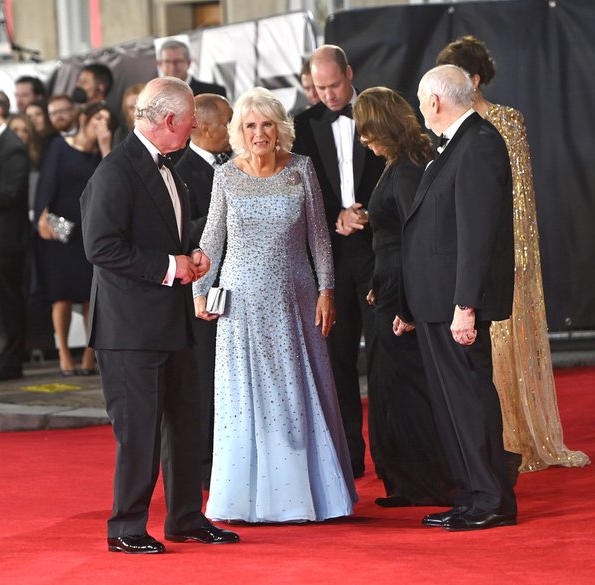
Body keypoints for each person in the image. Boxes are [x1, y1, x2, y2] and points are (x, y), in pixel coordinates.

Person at [81, 76, 239, 554]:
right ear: (169, 120)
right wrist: (173, 266)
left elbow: (164, 238)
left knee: (186, 427)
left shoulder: (173, 168)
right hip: (129, 331)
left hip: (171, 323)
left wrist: (191, 254)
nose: (196, 127)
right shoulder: (115, 170)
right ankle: (126, 527)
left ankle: (186, 517)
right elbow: (100, 247)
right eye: (190, 119)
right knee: (140, 433)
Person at [193, 86, 357, 523]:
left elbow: (320, 237)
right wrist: (199, 290)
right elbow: (213, 238)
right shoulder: (225, 175)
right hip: (240, 303)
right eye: (250, 125)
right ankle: (246, 497)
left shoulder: (301, 170)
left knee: (297, 394)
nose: (259, 132)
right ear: (239, 131)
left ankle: (304, 495)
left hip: (297, 298)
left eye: (266, 124)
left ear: (280, 127)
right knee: (245, 397)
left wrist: (327, 290)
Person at [436, 35, 590, 473]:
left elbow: (519, 196)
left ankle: (520, 436)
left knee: (510, 339)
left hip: (509, 251)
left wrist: (511, 254)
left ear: (475, 78)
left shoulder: (507, 121)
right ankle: (494, 440)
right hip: (467, 253)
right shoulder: (447, 129)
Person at [399, 64, 517, 531]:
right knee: (452, 404)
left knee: (469, 400)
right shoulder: (456, 147)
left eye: (420, 99)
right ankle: (471, 494)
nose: (419, 107)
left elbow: (477, 234)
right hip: (435, 302)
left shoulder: (480, 144)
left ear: (434, 102)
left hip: (454, 304)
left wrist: (465, 304)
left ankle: (492, 500)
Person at [352, 87, 454, 507]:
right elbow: (395, 238)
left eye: (367, 131)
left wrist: (410, 306)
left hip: (403, 303)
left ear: (385, 127)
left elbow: (420, 241)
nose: (363, 140)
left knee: (407, 392)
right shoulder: (400, 163)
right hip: (391, 293)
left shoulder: (410, 167)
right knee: (394, 391)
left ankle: (426, 483)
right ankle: (411, 482)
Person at [293, 45, 385, 478]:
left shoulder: (378, 112)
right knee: (338, 358)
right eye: (319, 87)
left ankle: (396, 454)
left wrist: (367, 213)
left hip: (379, 252)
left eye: (335, 85)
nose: (328, 95)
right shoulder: (302, 126)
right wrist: (337, 215)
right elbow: (302, 191)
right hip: (328, 258)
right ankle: (349, 456)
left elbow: (398, 176)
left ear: (350, 73)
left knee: (388, 353)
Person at [175, 92, 233, 490]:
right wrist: (221, 220)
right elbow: (180, 232)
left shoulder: (238, 165)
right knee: (206, 377)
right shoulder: (181, 171)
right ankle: (204, 464)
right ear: (208, 126)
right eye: (230, 122)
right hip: (203, 288)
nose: (236, 129)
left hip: (240, 283)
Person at [34, 103, 116, 376]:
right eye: (97, 119)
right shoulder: (60, 146)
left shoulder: (105, 156)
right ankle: (64, 354)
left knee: (92, 295)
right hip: (61, 228)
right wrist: (42, 217)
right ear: (85, 118)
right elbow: (46, 183)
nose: (100, 125)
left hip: (91, 229)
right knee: (62, 296)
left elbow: (112, 185)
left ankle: (89, 356)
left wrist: (105, 147)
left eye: (106, 121)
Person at [0, 96, 30, 381]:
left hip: (6, 242)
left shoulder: (12, 148)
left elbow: (10, 193)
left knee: (8, 301)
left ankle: (11, 361)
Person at [157, 39, 226, 97]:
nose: (173, 66)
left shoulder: (214, 93)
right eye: (167, 61)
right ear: (160, 64)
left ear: (188, 63)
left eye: (178, 61)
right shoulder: (153, 95)